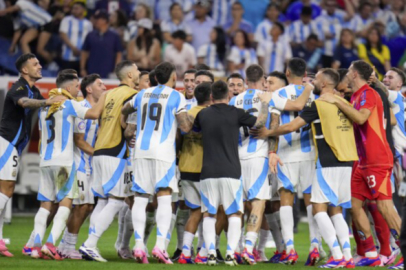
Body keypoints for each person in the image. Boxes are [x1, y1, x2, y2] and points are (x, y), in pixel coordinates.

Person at [254, 68, 357, 268]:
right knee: (334, 209)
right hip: (344, 160)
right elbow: (359, 119)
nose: (311, 82)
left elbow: (291, 126)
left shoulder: (314, 102)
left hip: (321, 159)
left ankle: (329, 254)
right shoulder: (343, 102)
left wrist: (269, 133)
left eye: (315, 80)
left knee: (315, 207)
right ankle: (338, 252)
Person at [319, 60, 401, 267]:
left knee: (385, 207)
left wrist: (337, 102)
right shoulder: (355, 95)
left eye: (348, 71)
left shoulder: (368, 94)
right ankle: (371, 253)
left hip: (376, 159)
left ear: (354, 74)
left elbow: (362, 118)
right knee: (354, 206)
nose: (345, 74)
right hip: (361, 160)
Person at [121, 62, 193, 264]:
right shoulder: (176, 96)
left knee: (141, 197)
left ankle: (138, 246)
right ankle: (160, 246)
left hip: (141, 152)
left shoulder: (142, 94)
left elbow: (125, 109)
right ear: (172, 77)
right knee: (164, 197)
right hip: (163, 152)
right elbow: (185, 126)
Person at [194, 80, 272, 266]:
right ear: (229, 96)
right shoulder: (236, 113)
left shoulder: (202, 114)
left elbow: (193, 130)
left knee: (209, 214)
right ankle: (230, 254)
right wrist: (265, 103)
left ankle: (210, 253)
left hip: (208, 171)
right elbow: (259, 123)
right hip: (231, 170)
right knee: (235, 213)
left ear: (211, 96)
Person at [33, 72, 105, 260]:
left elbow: (41, 137)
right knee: (66, 204)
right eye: (75, 87)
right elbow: (94, 113)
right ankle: (50, 245)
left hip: (45, 161)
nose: (77, 91)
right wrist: (107, 95)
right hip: (64, 162)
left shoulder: (44, 107)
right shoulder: (70, 104)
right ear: (67, 88)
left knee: (45, 206)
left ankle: (35, 247)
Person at [0, 54, 64, 257]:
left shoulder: (34, 90)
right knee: (6, 190)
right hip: (6, 143)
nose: (40, 65)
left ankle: (0, 240)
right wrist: (48, 102)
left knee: (5, 191)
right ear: (24, 70)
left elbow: (40, 102)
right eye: (35, 64)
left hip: (13, 146)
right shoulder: (18, 87)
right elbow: (25, 103)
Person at [79, 61, 140, 262]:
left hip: (99, 150)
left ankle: (89, 244)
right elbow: (126, 126)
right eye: (137, 70)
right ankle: (90, 244)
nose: (139, 72)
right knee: (116, 201)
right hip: (116, 151)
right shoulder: (132, 96)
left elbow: (97, 117)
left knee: (102, 200)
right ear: (130, 75)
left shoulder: (109, 94)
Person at [264, 58, 319, 265]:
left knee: (285, 200)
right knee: (311, 202)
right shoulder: (314, 93)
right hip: (310, 153)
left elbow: (275, 123)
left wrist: (272, 151)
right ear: (304, 73)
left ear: (287, 72)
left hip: (286, 154)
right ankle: (315, 248)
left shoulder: (278, 94)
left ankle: (290, 249)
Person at [228, 64, 273, 265]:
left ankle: (234, 248)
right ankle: (248, 249)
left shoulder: (234, 100)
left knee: (238, 205)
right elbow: (274, 126)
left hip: (236, 156)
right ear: (263, 80)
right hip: (258, 155)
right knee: (258, 203)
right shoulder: (268, 97)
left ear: (246, 81)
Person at [57, 74, 106, 259]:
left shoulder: (97, 111)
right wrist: (98, 153)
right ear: (89, 89)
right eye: (100, 84)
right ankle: (66, 246)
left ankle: (64, 244)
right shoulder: (82, 108)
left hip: (91, 165)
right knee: (81, 205)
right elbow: (79, 141)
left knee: (86, 207)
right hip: (78, 163)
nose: (104, 87)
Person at [177, 82, 212, 264]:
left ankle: (185, 253)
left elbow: (178, 138)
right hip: (203, 169)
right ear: (211, 96)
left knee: (195, 212)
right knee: (210, 213)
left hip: (185, 167)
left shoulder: (187, 114)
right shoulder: (209, 115)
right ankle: (203, 253)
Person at [80, 10, 123, 78]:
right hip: (91, 71)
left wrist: (116, 70)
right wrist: (82, 68)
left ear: (105, 20)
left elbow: (119, 54)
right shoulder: (90, 35)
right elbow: (84, 52)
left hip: (108, 71)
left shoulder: (114, 36)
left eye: (98, 19)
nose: (95, 21)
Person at [59, 2, 93, 74]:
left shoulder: (88, 24)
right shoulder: (67, 20)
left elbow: (90, 40)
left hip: (83, 59)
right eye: (73, 8)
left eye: (77, 8)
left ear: (83, 10)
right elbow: (62, 34)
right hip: (68, 57)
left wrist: (85, 52)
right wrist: (73, 48)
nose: (74, 10)